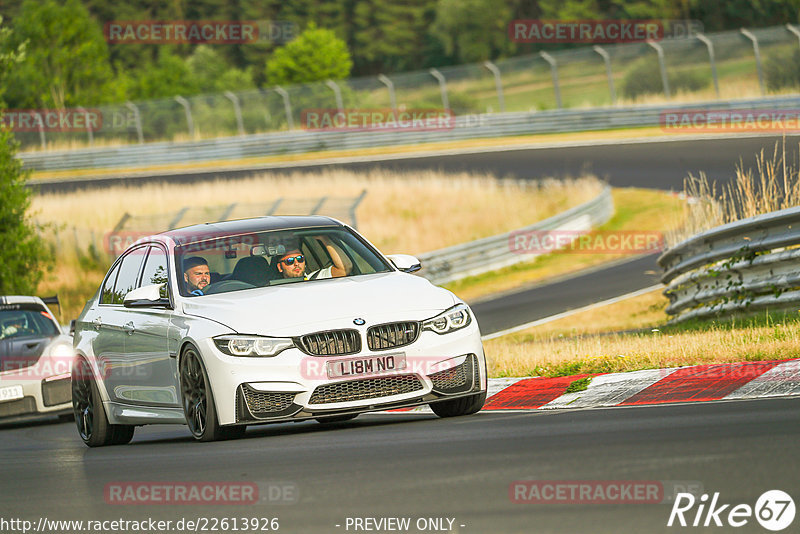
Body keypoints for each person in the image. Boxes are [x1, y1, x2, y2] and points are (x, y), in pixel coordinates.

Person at [276, 236, 351, 280]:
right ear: (280, 267)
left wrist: (325, 239)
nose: (296, 264)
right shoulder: (268, 289)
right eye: (290, 261)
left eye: (300, 259)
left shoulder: (315, 278)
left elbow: (344, 269)